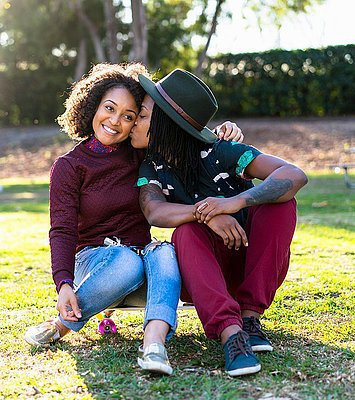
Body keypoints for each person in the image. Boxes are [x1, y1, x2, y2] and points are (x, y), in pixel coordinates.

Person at [23, 63, 243, 375]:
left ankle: (154, 346)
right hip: (97, 262)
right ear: (92, 107)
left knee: (164, 250)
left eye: (129, 116)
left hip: (143, 257)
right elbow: (61, 230)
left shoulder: (142, 155)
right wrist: (64, 283)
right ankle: (63, 323)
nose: (115, 121)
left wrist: (223, 134)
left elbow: (183, 142)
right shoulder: (69, 167)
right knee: (128, 261)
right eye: (109, 109)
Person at [129, 69, 308, 377]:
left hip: (251, 266)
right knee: (185, 233)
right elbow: (155, 211)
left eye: (142, 116)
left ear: (166, 124)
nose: (134, 122)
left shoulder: (222, 151)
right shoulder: (152, 166)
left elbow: (294, 175)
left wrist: (234, 202)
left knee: (280, 205)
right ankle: (231, 335)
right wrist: (207, 212)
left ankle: (250, 319)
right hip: (203, 277)